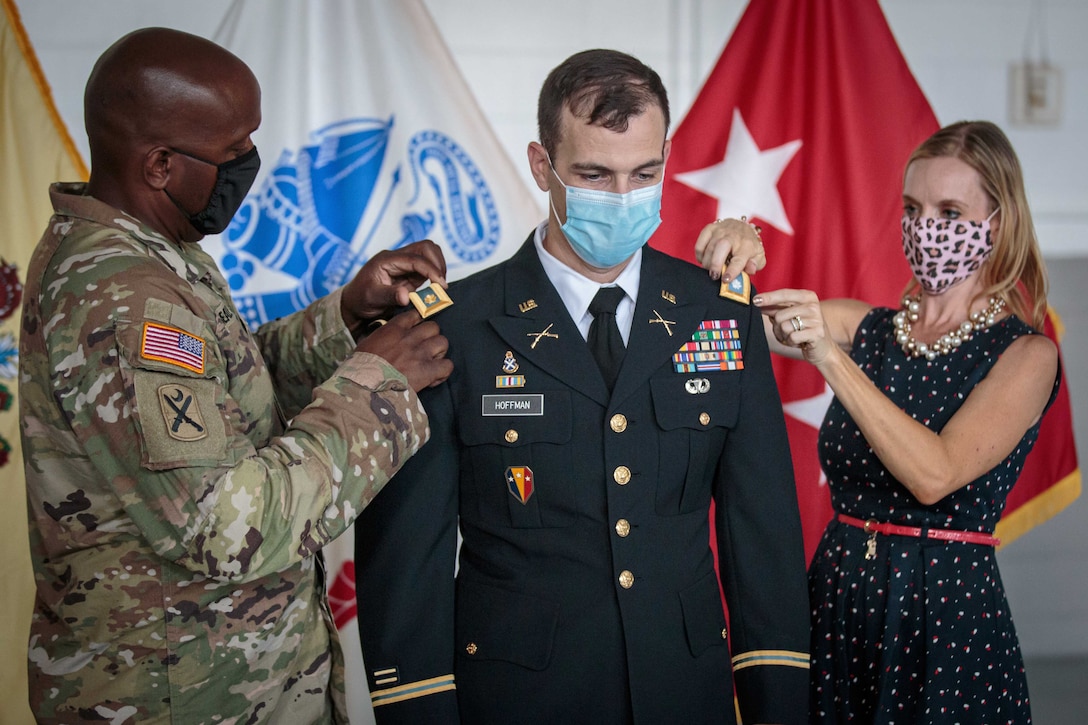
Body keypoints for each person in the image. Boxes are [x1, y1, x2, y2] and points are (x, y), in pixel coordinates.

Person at [353, 48, 810, 724]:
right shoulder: (454, 329)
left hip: (683, 692)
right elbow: (407, 564)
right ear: (544, 166)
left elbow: (762, 539)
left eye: (644, 173)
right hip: (521, 699)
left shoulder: (719, 314)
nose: (622, 197)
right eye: (593, 173)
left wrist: (778, 706)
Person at [19, 27, 452, 724]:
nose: (251, 161)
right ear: (160, 163)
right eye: (234, 151)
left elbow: (224, 398)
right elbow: (225, 523)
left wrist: (344, 315)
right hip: (182, 698)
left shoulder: (147, 248)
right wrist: (378, 390)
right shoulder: (125, 299)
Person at [698, 120, 1058, 723]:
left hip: (943, 620)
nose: (926, 225)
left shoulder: (1026, 355)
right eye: (913, 207)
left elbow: (935, 474)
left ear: (999, 222)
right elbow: (734, 325)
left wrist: (830, 358)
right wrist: (742, 241)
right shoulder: (868, 326)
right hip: (837, 596)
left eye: (950, 209)